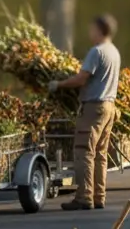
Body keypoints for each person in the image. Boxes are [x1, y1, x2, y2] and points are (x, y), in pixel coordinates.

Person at [48, 14, 121, 211]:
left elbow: (82, 79)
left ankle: (84, 198)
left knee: (84, 152)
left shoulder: (96, 52)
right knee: (100, 154)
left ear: (99, 30)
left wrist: (59, 84)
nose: (90, 32)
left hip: (93, 108)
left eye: (92, 29)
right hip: (109, 107)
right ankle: (99, 196)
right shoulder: (114, 51)